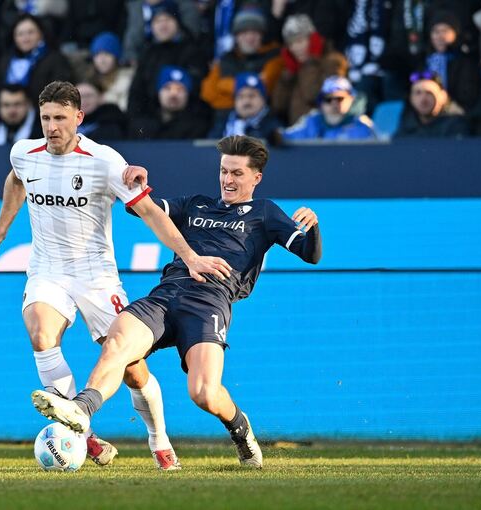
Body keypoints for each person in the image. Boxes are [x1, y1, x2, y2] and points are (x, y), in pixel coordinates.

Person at [0, 80, 231, 470]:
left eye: (60, 118)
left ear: (79, 117)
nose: (52, 127)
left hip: (96, 276)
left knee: (132, 370)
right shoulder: (24, 153)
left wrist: (190, 256)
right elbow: (16, 180)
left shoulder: (104, 161)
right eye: (46, 118)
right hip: (47, 269)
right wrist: (0, 232)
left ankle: (159, 439)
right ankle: (82, 431)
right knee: (41, 333)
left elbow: (150, 212)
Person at [31, 135, 322, 469]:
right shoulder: (196, 205)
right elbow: (141, 208)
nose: (227, 179)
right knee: (117, 342)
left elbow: (310, 254)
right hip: (166, 295)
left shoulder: (265, 213)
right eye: (224, 171)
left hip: (209, 303)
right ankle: (82, 408)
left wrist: (313, 228)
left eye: (237, 173)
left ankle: (241, 429)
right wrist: (136, 183)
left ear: (256, 177)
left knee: (204, 393)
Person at [200, 6, 280, 111]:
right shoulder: (226, 58)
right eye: (244, 33)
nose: (250, 38)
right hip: (224, 116)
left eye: (255, 33)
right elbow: (207, 93)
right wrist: (246, 91)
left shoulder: (274, 56)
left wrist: (223, 84)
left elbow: (265, 87)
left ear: (262, 35)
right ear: (236, 37)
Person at [129, 65, 212, 140]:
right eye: (167, 88)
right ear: (158, 92)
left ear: (187, 95)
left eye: (180, 89)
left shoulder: (199, 127)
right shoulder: (141, 125)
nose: (173, 94)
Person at [282, 75, 376, 141]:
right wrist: (275, 135)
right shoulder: (311, 123)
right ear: (321, 102)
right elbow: (286, 137)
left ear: (351, 99)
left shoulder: (362, 126)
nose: (334, 103)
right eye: (328, 99)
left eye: (339, 98)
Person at [208, 72, 282, 143]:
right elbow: (208, 145)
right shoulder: (224, 122)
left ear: (263, 99)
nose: (246, 101)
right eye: (241, 97)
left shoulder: (272, 124)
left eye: (252, 96)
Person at [396, 71, 470, 138]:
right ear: (411, 98)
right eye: (418, 93)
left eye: (429, 93)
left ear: (443, 96)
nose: (423, 99)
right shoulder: (405, 127)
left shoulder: (455, 126)